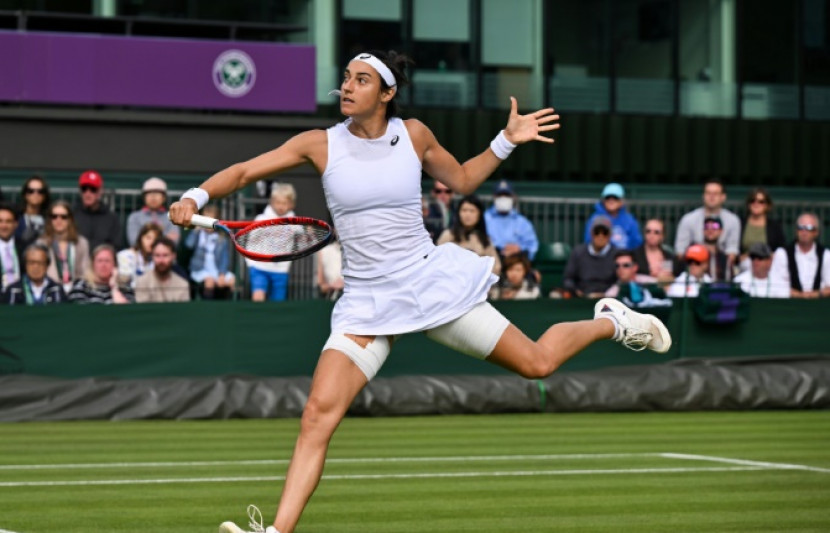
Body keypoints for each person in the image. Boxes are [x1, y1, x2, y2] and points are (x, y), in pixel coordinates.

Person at [168, 51, 669, 533]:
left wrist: (507, 139)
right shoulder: (319, 143)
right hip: (366, 303)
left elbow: (465, 179)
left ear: (386, 93)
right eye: (346, 76)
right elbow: (242, 172)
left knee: (538, 363)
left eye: (361, 79)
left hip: (429, 285)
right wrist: (195, 196)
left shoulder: (414, 135)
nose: (347, 85)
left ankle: (613, 321)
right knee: (317, 416)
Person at [245, 183, 296, 302]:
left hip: (281, 269)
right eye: (278, 202)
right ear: (272, 202)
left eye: (284, 203)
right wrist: (250, 262)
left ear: (291, 204)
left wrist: (308, 230)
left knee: (278, 302)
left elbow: (305, 236)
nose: (281, 206)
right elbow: (251, 240)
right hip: (259, 266)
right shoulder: (260, 219)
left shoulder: (295, 223)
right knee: (258, 297)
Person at [674, 179, 740, 263]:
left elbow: (732, 249)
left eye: (715, 194)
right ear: (703, 196)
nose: (711, 197)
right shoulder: (688, 219)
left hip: (721, 266)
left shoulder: (733, 220)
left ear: (723, 197)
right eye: (708, 193)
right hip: (694, 263)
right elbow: (680, 250)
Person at [437, 195, 501, 276]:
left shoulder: (484, 240)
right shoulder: (448, 236)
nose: (468, 214)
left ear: (479, 214)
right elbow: (437, 261)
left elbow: (496, 267)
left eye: (472, 211)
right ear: (458, 213)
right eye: (464, 210)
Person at [182, 204, 236, 300]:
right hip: (199, 270)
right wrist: (195, 230)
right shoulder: (198, 234)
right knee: (209, 282)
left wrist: (222, 274)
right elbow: (188, 245)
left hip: (216, 269)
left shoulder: (222, 239)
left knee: (231, 280)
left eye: (211, 220)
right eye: (205, 220)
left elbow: (224, 258)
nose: (208, 223)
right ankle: (208, 307)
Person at [37, 200, 91, 293]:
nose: (59, 220)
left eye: (63, 217)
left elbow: (85, 271)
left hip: (76, 291)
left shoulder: (81, 243)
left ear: (70, 219)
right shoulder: (41, 244)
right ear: (50, 220)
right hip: (50, 291)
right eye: (54, 217)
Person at [561, 215, 617, 299]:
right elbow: (568, 278)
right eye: (597, 232)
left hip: (608, 299)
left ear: (610, 235)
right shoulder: (578, 252)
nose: (600, 236)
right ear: (591, 234)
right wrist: (575, 291)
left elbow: (622, 280)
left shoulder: (617, 254)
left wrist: (608, 294)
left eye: (605, 232)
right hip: (581, 298)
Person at [776, 213, 830, 299]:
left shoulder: (826, 255)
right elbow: (778, 285)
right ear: (796, 231)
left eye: (809, 228)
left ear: (816, 232)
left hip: (819, 305)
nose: (804, 232)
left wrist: (814, 295)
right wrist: (799, 295)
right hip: (789, 304)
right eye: (800, 228)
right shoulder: (782, 253)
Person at [483, 179, 539, 261]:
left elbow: (532, 246)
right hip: (491, 262)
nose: (503, 198)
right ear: (494, 197)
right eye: (500, 195)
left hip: (515, 263)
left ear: (514, 197)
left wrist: (519, 249)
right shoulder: (484, 218)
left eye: (507, 195)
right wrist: (499, 249)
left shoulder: (522, 222)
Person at [72, 170, 123, 251]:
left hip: (101, 261)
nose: (87, 193)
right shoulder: (72, 215)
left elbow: (116, 246)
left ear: (100, 191)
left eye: (93, 189)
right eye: (84, 189)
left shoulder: (112, 218)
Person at [67, 244, 134, 304]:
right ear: (93, 264)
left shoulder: (125, 287)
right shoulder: (81, 286)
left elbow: (127, 312)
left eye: (107, 261)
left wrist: (114, 288)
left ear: (115, 265)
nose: (103, 265)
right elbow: (79, 313)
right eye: (99, 261)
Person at [583, 183, 642, 251]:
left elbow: (635, 242)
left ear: (621, 201)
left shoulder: (629, 220)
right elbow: (589, 241)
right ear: (603, 200)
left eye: (615, 198)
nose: (611, 200)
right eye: (608, 198)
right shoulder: (595, 219)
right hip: (601, 257)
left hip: (623, 257)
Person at [126, 177, 179, 246]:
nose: (153, 196)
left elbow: (174, 242)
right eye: (149, 193)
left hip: (164, 256)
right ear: (144, 197)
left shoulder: (171, 216)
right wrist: (164, 239)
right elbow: (134, 242)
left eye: (157, 193)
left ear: (164, 197)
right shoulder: (134, 217)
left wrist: (147, 240)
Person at [135, 237, 190, 303]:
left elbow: (183, 311)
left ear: (173, 256)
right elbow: (143, 311)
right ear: (152, 256)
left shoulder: (182, 285)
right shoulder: (142, 282)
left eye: (165, 255)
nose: (161, 260)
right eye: (157, 255)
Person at [740, 187, 786, 262]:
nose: (756, 204)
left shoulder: (775, 226)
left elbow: (781, 249)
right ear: (748, 204)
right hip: (744, 263)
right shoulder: (740, 223)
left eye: (761, 201)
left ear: (767, 205)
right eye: (752, 200)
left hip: (768, 263)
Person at [631, 218, 677, 286]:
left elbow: (668, 277)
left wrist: (661, 276)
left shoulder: (667, 256)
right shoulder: (634, 255)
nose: (651, 235)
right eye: (648, 231)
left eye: (656, 232)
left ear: (662, 236)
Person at [117, 222, 162, 288]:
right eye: (148, 238)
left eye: (155, 240)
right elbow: (125, 284)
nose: (151, 242)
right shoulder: (126, 255)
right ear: (141, 238)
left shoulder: (159, 260)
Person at [15, 174, 50, 245]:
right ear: (25, 194)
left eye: (40, 191)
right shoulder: (16, 219)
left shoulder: (52, 219)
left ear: (45, 195)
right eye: (31, 191)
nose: (35, 194)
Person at [700, 216, 735, 282]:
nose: (710, 230)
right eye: (706, 226)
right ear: (703, 230)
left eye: (715, 226)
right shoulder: (696, 255)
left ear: (721, 231)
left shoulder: (725, 259)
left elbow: (730, 281)